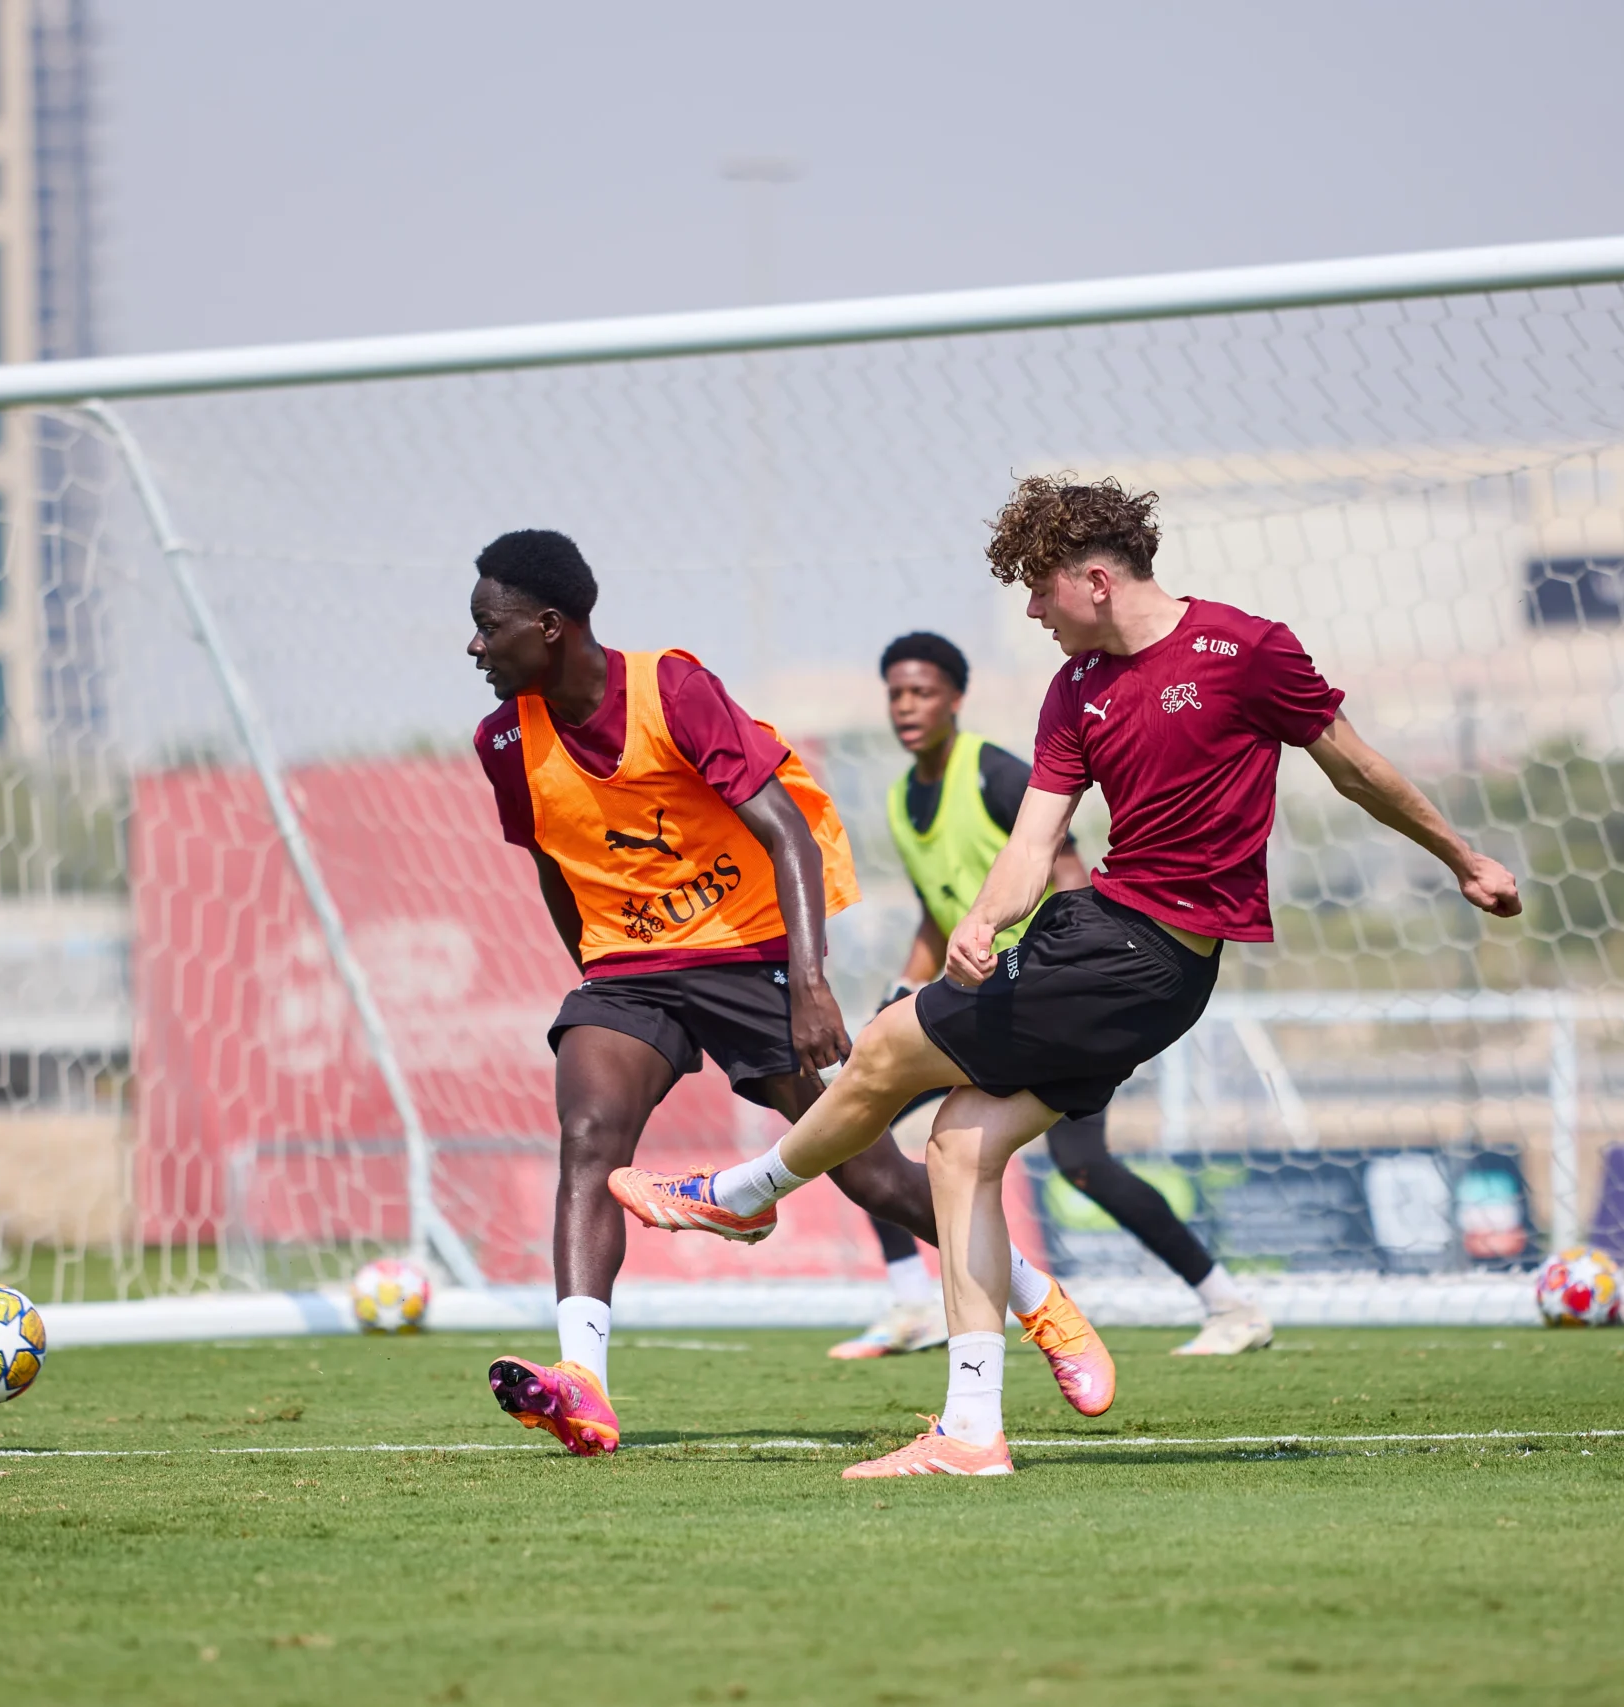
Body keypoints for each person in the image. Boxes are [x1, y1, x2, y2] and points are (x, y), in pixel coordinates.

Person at [613, 477, 1521, 1477]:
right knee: (959, 1149)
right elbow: (1033, 837)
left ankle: (745, 1191)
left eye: (1040, 593)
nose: (1033, 614)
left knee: (882, 1047)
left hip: (1134, 951)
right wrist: (982, 923)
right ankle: (970, 1431)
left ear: (1095, 579)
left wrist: (1461, 856)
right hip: (1114, 951)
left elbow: (1353, 765)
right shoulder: (1074, 691)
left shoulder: (1244, 650)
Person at [465, 529, 1108, 1457]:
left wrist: (807, 983)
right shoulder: (501, 740)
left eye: (490, 627)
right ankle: (583, 1382)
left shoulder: (672, 691)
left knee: (871, 1171)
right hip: (629, 971)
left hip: (745, 952)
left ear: (551, 626)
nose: (477, 647)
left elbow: (789, 834)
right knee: (589, 1133)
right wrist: (595, 975)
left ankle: (1041, 1302)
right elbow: (555, 867)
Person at [830, 630, 1273, 1362]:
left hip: (1048, 993)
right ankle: (913, 1302)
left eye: (923, 692)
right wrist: (903, 990)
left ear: (955, 700)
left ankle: (1227, 1302)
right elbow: (934, 908)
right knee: (859, 1106)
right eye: (896, 694)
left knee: (1083, 1165)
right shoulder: (904, 799)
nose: (907, 707)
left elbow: (1065, 873)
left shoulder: (997, 776)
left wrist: (1071, 976)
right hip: (980, 993)